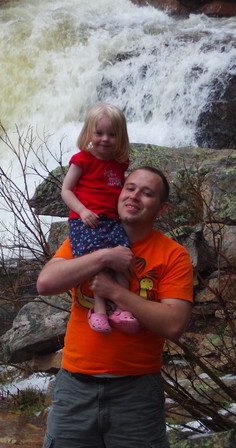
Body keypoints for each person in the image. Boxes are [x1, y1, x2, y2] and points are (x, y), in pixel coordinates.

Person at [37, 166, 195, 448]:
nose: (134, 196)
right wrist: (105, 256)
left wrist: (115, 293)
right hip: (75, 387)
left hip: (136, 392)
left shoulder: (173, 255)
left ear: (162, 208)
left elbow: (173, 325)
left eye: (147, 193)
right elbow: (46, 283)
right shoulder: (86, 236)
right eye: (130, 188)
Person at [61, 103, 138, 334]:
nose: (105, 139)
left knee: (123, 262)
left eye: (112, 134)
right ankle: (100, 310)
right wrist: (83, 211)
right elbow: (66, 190)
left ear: (121, 137)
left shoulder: (120, 163)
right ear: (89, 134)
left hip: (112, 222)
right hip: (86, 221)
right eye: (99, 133)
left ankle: (121, 309)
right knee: (99, 265)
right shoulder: (82, 159)